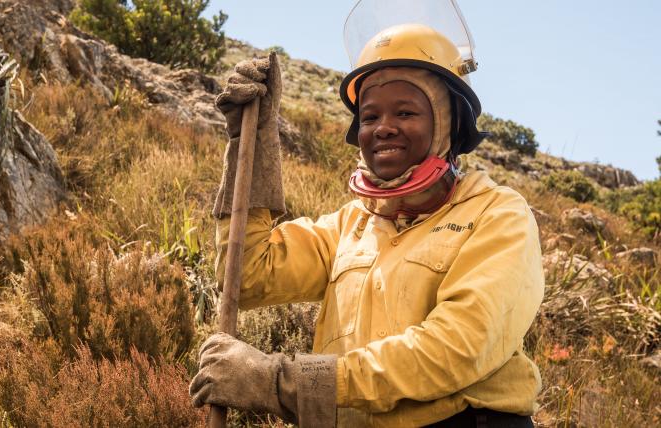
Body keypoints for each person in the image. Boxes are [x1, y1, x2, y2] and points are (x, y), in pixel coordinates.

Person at [189, 16, 544, 428]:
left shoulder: (496, 213)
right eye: (370, 117)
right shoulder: (350, 225)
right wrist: (253, 142)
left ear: (446, 124)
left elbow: (457, 349)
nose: (383, 128)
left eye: (406, 112)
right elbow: (248, 275)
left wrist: (281, 383)